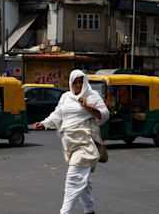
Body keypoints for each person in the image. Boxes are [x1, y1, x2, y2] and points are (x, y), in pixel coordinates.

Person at [33, 69, 110, 214]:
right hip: (70, 143)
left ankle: (65, 212)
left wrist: (88, 107)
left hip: (86, 143)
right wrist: (44, 123)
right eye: (75, 82)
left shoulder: (92, 96)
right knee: (84, 180)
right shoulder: (65, 97)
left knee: (74, 177)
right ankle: (89, 210)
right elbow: (58, 114)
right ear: (71, 83)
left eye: (81, 82)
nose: (78, 85)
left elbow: (105, 115)